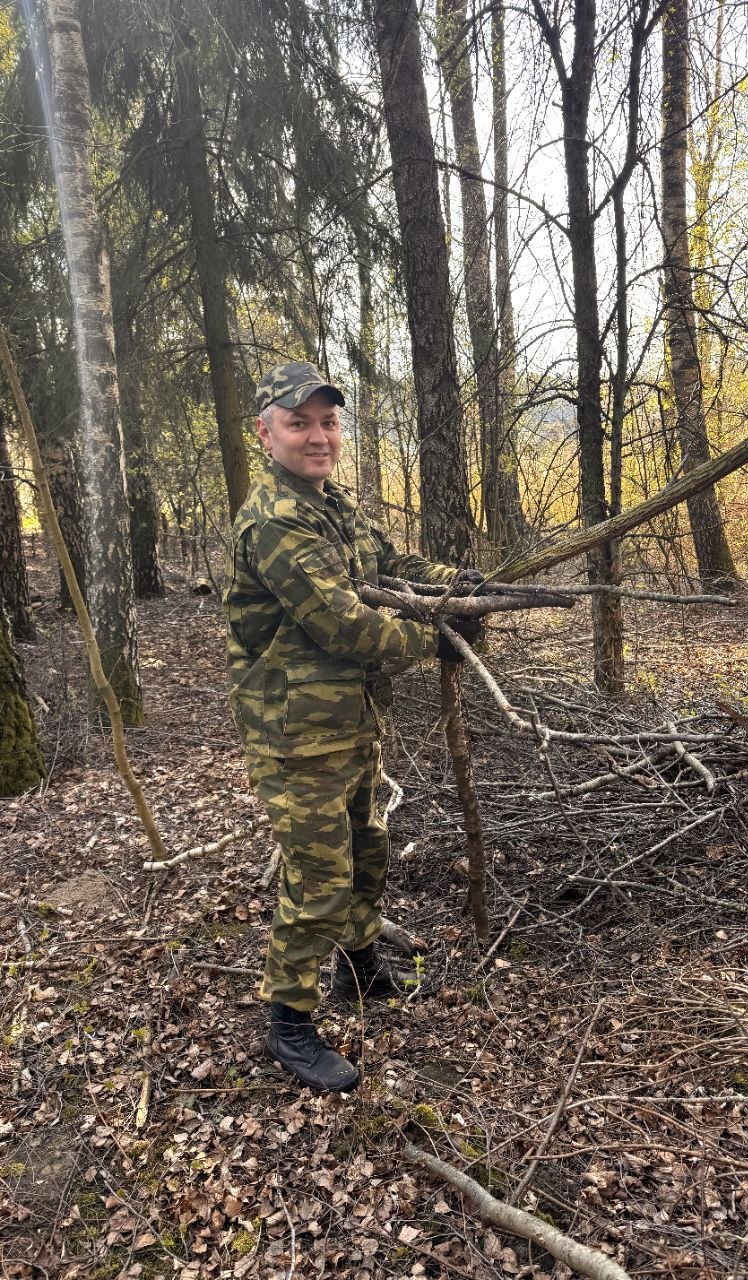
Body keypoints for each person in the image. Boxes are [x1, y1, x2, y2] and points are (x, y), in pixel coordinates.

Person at [223, 361, 482, 1092]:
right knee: (319, 876)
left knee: (367, 848)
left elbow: (391, 562)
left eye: (328, 421)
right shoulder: (275, 519)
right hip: (295, 735)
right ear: (265, 432)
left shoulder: (330, 505)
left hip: (351, 722)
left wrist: (457, 587)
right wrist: (433, 638)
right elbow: (341, 624)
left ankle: (360, 972)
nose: (318, 436)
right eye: (299, 422)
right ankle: (289, 1023)